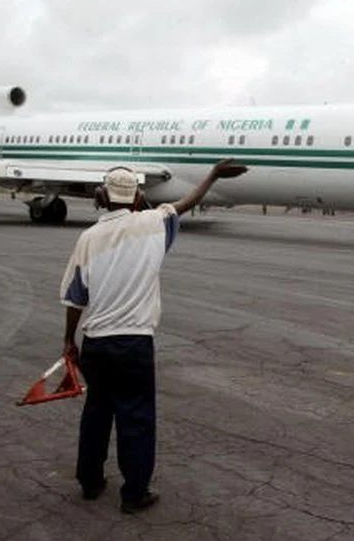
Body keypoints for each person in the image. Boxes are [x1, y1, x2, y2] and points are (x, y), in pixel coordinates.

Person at [60, 159, 248, 514]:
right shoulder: (153, 226)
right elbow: (186, 203)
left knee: (97, 412)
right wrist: (213, 175)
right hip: (134, 344)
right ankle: (134, 494)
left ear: (100, 196)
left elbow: (74, 298)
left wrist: (69, 342)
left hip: (96, 343)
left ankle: (90, 482)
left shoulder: (88, 238)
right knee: (137, 418)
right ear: (137, 198)